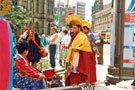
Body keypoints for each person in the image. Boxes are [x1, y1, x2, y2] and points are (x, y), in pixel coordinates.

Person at [65, 14, 92, 86]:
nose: (74, 30)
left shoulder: (83, 36)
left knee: (77, 75)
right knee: (71, 74)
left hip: (78, 59)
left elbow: (86, 47)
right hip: (72, 58)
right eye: (73, 28)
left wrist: (78, 49)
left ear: (79, 28)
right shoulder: (74, 36)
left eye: (75, 28)